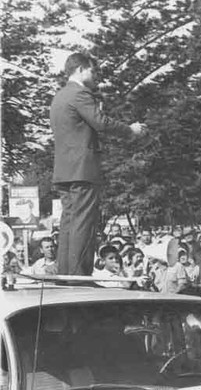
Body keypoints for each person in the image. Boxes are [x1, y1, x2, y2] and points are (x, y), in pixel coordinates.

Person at [51, 52, 143, 276]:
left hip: (64, 170)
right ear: (80, 70)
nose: (95, 75)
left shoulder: (59, 97)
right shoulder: (80, 94)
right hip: (83, 169)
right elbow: (100, 122)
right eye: (92, 70)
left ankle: (66, 273)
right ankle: (79, 275)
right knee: (83, 223)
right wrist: (130, 130)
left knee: (69, 223)